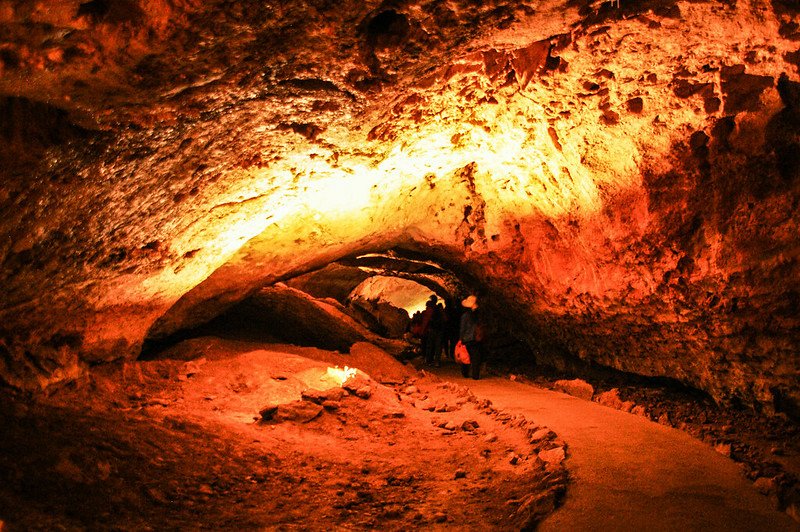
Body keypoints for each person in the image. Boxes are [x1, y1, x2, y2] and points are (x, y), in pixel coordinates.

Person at [459, 294, 484, 379]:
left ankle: (465, 373)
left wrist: (460, 338)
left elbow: (462, 328)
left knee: (465, 356)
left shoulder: (465, 316)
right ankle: (475, 375)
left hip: (467, 339)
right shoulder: (478, 315)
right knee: (475, 357)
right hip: (476, 338)